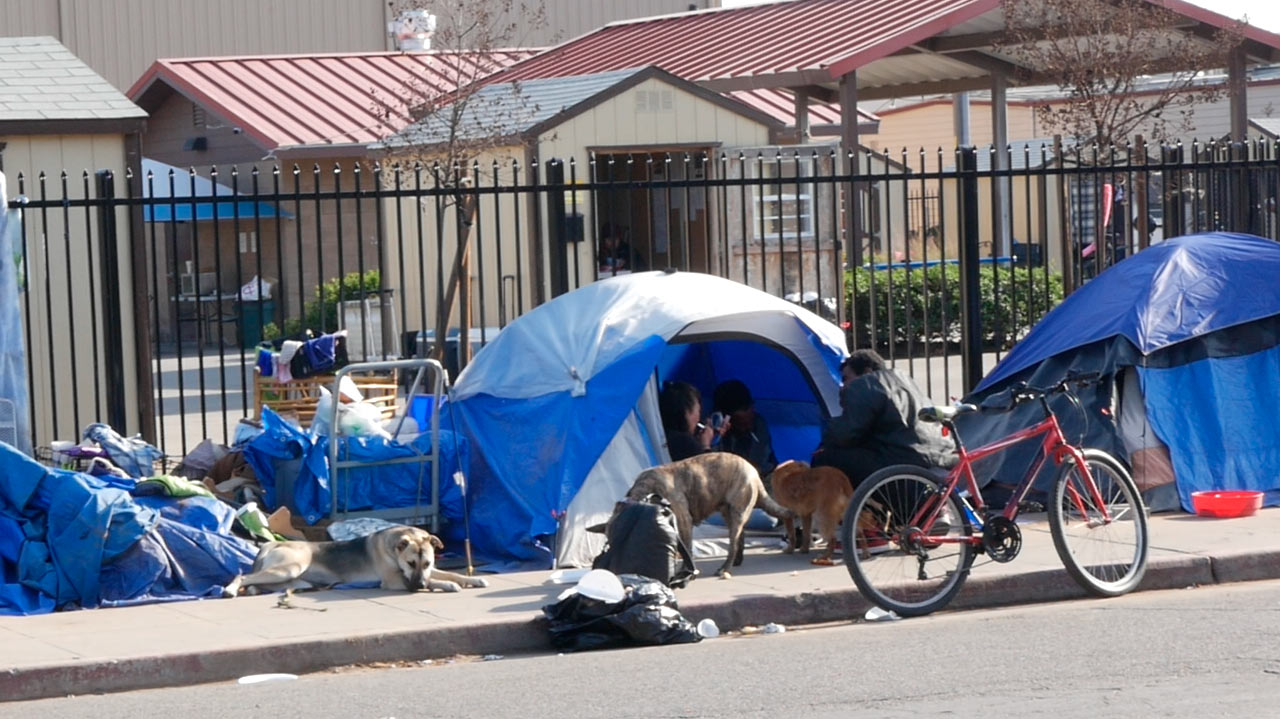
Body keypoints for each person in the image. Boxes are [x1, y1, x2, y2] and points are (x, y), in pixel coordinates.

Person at [812, 349, 955, 489]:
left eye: (846, 379)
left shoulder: (866, 384)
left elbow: (846, 434)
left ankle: (846, 504)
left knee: (824, 457)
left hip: (903, 462)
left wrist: (828, 432)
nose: (843, 386)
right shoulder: (904, 380)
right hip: (938, 458)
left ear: (867, 372)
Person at [712, 379, 777, 478]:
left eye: (750, 422)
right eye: (741, 424)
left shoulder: (758, 425)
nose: (747, 428)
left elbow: (763, 462)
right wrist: (715, 438)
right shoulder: (714, 433)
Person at [659, 380, 714, 461]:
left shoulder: (662, 434)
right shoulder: (686, 443)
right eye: (698, 411)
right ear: (687, 412)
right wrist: (705, 445)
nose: (698, 419)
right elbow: (709, 467)